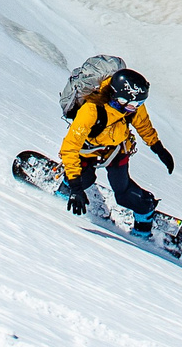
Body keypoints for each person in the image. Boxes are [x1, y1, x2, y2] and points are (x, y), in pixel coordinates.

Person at [59, 67, 175, 235]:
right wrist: (76, 188)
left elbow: (143, 123)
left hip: (116, 150)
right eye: (135, 104)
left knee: (124, 192)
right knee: (84, 179)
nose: (136, 108)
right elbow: (70, 147)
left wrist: (158, 148)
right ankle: (67, 188)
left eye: (140, 104)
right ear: (120, 99)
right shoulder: (90, 111)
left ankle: (144, 214)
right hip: (88, 151)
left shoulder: (131, 104)